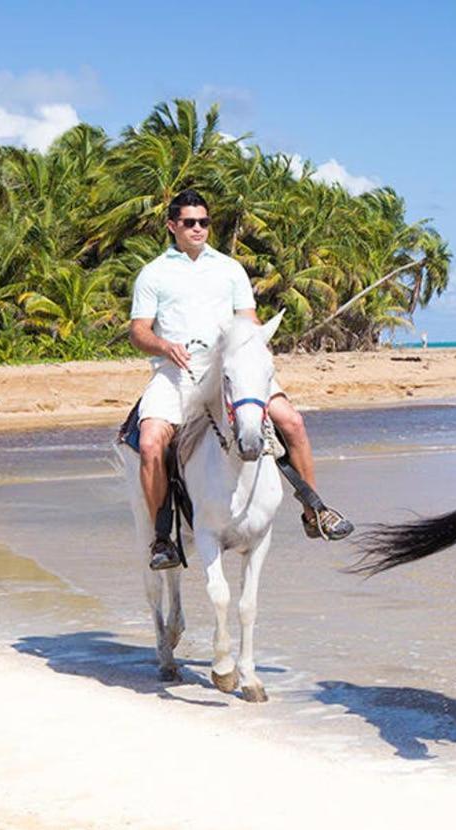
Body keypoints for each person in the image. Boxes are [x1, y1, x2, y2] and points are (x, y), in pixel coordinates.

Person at [130, 188, 353, 569]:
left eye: (204, 222)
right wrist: (165, 347)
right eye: (189, 223)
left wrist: (256, 353)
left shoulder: (230, 269)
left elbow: (247, 319)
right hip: (177, 372)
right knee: (151, 442)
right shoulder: (154, 273)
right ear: (172, 226)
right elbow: (138, 332)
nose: (198, 229)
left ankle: (315, 511)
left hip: (232, 369)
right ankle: (162, 539)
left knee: (292, 422)